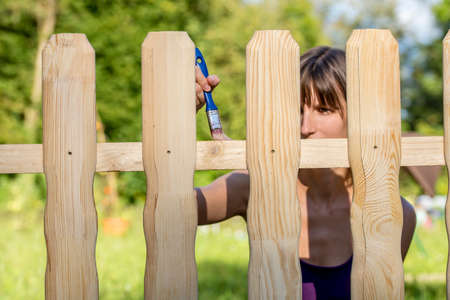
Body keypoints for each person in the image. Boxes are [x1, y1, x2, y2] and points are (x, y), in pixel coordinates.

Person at [194, 46, 416, 300]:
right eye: (298, 110)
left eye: (324, 110)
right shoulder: (255, 186)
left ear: (357, 116)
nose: (305, 126)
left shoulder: (395, 215)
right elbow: (172, 210)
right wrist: (184, 113)